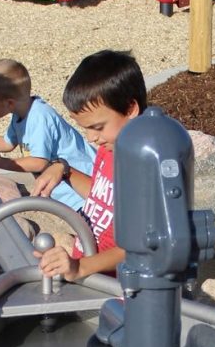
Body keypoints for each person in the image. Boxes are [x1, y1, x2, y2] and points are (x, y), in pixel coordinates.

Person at [31, 49, 147, 281]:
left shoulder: (143, 165)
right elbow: (100, 196)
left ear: (130, 109)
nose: (91, 138)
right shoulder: (110, 148)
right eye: (86, 128)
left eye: (97, 127)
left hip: (112, 284)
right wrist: (64, 170)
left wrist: (81, 267)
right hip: (88, 261)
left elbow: (138, 246)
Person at [0, 59, 95, 211]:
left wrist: (0, 162)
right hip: (62, 190)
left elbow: (39, 163)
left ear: (9, 103)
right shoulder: (20, 113)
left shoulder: (39, 118)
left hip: (79, 193)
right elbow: (7, 143)